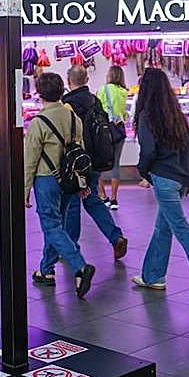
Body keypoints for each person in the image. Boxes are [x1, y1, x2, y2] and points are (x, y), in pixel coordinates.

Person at [131, 67, 189, 303]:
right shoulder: (175, 115)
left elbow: (149, 150)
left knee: (181, 229)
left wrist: (143, 171)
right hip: (179, 180)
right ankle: (153, 276)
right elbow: (188, 147)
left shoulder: (146, 117)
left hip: (162, 179)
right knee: (163, 228)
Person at [23, 71, 96, 298]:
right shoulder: (74, 118)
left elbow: (30, 161)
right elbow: (80, 153)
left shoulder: (38, 122)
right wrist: (84, 183)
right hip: (69, 181)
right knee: (57, 225)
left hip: (46, 180)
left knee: (51, 226)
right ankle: (46, 270)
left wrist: (23, 191)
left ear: (40, 93)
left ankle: (80, 266)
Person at [62, 65, 128, 261]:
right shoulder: (95, 101)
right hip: (96, 161)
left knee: (73, 203)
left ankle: (71, 247)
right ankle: (115, 237)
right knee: (92, 200)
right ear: (86, 80)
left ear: (68, 81)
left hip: (77, 161)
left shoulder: (68, 103)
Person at [98, 65, 129, 209]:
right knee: (116, 164)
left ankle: (103, 196)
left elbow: (97, 109)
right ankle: (114, 199)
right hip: (119, 130)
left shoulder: (102, 90)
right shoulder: (124, 92)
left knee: (98, 163)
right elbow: (123, 113)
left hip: (104, 131)